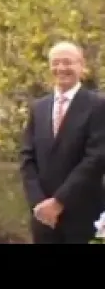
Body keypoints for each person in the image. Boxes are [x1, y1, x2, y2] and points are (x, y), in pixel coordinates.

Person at [20, 41, 105, 243]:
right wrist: (39, 203)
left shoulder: (98, 106)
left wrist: (59, 202)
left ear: (81, 66)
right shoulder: (38, 107)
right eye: (55, 63)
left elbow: (96, 158)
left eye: (68, 62)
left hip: (82, 213)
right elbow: (27, 157)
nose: (61, 68)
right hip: (43, 217)